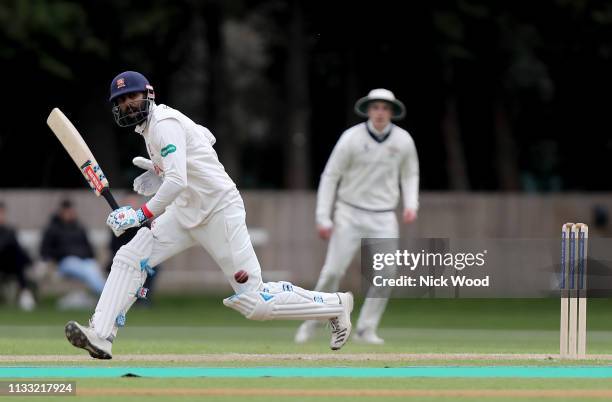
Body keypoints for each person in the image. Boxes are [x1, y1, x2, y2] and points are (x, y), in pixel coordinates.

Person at [64, 71, 353, 359]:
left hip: (219, 211)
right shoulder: (152, 128)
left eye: (132, 96)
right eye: (121, 100)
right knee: (130, 257)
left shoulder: (163, 123)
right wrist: (160, 170)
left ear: (148, 94)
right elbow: (206, 138)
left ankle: (335, 305)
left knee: (255, 303)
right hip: (184, 212)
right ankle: (100, 336)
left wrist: (141, 214)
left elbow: (178, 181)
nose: (128, 104)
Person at [294, 88, 419, 345]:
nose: (380, 113)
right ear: (368, 110)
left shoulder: (403, 140)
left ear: (392, 112)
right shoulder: (351, 138)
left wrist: (411, 203)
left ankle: (366, 328)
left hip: (383, 216)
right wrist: (323, 217)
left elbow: (410, 174)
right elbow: (330, 176)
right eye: (376, 108)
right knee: (332, 272)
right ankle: (311, 322)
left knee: (386, 274)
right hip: (349, 213)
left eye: (385, 108)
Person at [40, 200, 106, 298]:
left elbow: (89, 247)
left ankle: (105, 294)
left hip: (85, 261)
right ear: (61, 212)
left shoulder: (79, 228)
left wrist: (87, 256)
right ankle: (106, 295)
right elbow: (44, 251)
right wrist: (56, 258)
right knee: (87, 270)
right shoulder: (53, 229)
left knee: (92, 267)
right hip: (65, 262)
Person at [106, 194, 160, 307]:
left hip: (141, 258)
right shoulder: (118, 223)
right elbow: (113, 246)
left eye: (134, 204)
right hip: (123, 258)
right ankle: (122, 301)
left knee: (152, 268)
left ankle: (142, 299)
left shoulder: (144, 222)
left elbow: (150, 241)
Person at [0, 201, 36, 311]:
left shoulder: (10, 231)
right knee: (16, 254)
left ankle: (25, 293)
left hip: (10, 264)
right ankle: (25, 292)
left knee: (17, 256)